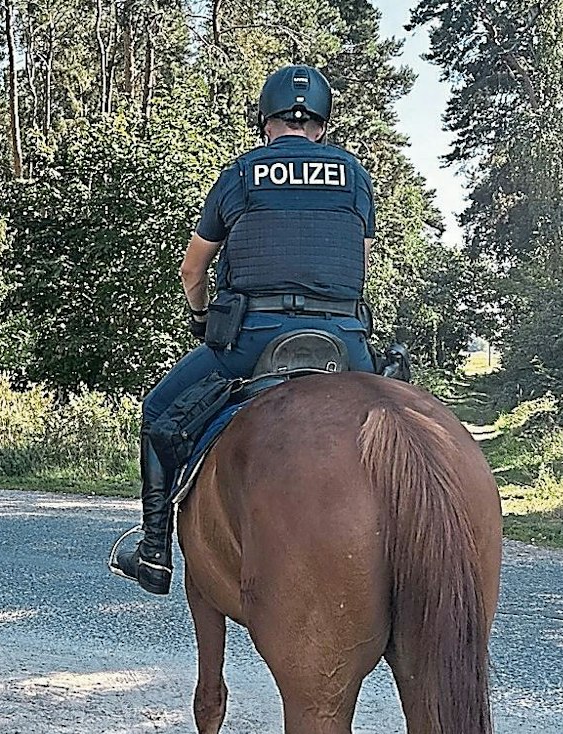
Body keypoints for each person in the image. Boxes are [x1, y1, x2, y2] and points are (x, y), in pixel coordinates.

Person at [110, 64, 375, 594]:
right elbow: (360, 262)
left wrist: (203, 319)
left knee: (159, 411)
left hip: (254, 340)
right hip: (343, 342)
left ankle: (155, 550)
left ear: (264, 121)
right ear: (321, 124)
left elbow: (193, 270)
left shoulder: (240, 174)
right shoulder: (355, 175)